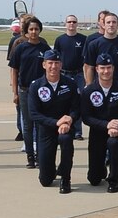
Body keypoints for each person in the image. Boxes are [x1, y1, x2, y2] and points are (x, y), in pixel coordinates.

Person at [27, 50, 80, 194]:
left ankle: (65, 178)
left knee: (66, 140)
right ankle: (52, 171)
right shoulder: (36, 86)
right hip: (46, 130)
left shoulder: (70, 84)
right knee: (46, 180)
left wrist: (69, 119)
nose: (53, 67)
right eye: (50, 63)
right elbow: (34, 114)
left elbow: (76, 108)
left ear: (61, 65)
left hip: (66, 128)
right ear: (44, 64)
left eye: (56, 63)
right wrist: (57, 122)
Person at [81, 54, 118, 193]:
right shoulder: (89, 91)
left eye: (108, 68)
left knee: (114, 144)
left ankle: (114, 179)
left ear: (113, 68)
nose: (106, 71)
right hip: (97, 133)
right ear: (96, 69)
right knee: (94, 179)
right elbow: (86, 118)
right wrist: (106, 125)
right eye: (102, 68)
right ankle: (100, 169)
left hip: (116, 132)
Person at [10, 17, 51, 167]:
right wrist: (15, 92)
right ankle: (30, 156)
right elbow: (14, 70)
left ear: (40, 30)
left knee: (40, 124)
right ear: (26, 31)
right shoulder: (20, 47)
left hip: (42, 92)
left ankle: (41, 156)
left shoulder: (45, 48)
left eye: (36, 29)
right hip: (25, 90)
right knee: (27, 125)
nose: (34, 32)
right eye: (31, 29)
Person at [53, 15, 87, 140]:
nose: (71, 24)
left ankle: (77, 131)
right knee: (62, 101)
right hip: (63, 74)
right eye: (69, 22)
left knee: (78, 102)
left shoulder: (83, 39)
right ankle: (62, 127)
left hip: (78, 74)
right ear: (65, 24)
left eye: (74, 22)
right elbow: (55, 57)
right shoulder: (60, 40)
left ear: (77, 24)